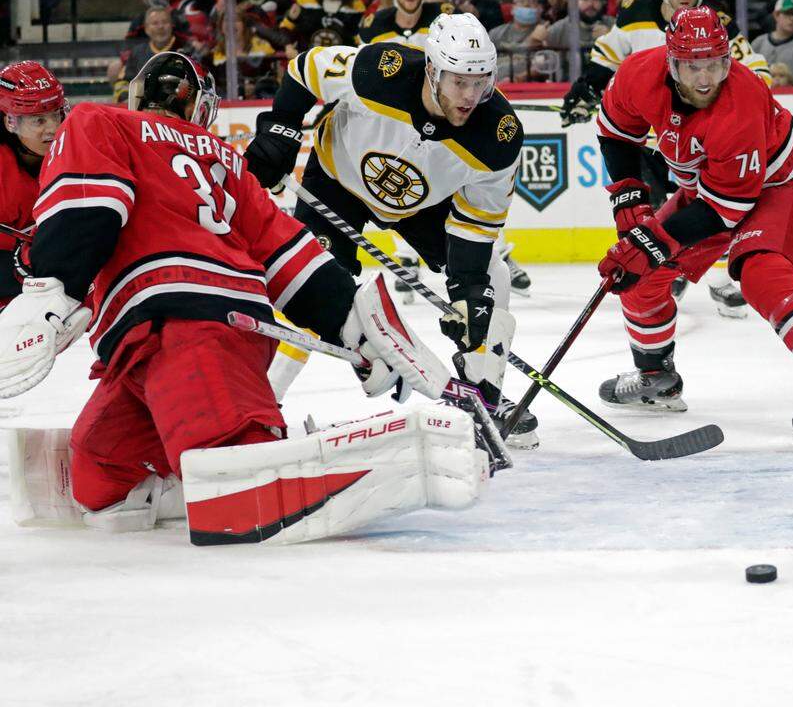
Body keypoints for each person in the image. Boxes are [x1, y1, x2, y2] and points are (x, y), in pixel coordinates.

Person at [0, 51, 486, 542]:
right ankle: (183, 468)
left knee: (234, 475)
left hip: (191, 327)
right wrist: (352, 325)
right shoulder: (226, 158)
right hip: (163, 341)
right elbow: (292, 258)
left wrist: (50, 289)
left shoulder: (99, 121)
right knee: (99, 473)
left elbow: (89, 207)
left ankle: (372, 459)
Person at [242, 13, 539, 449]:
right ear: (433, 69)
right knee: (311, 285)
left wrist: (470, 287)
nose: (472, 95)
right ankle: (261, 404)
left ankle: (483, 397)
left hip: (424, 205)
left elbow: (476, 222)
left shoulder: (498, 136)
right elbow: (306, 70)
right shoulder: (381, 71)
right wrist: (281, 128)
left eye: (481, 82)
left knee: (492, 276)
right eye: (460, 81)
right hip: (336, 182)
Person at [594, 6, 793, 447]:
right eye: (693, 66)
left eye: (715, 64)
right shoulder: (637, 74)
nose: (706, 78)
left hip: (775, 184)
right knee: (638, 273)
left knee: (758, 268)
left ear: (729, 60)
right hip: (709, 188)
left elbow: (726, 209)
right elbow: (616, 131)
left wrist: (651, 240)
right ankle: (656, 378)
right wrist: (628, 198)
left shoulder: (740, 102)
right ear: (671, 62)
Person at [562, 0, 771, 320]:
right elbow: (607, 58)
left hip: (700, 142)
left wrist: (747, 109)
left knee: (706, 210)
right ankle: (664, 281)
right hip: (650, 141)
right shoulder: (634, 12)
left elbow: (754, 69)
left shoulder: (715, 25)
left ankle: (716, 281)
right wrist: (586, 90)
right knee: (657, 213)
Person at [361, 0, 534, 305]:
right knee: (398, 180)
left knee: (475, 189)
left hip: (451, 116)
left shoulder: (443, 16)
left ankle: (495, 254)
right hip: (404, 117)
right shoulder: (373, 24)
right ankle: (408, 259)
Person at [0, 62, 66, 309]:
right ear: (10, 122)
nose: (53, 128)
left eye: (57, 114)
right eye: (39, 120)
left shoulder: (72, 153)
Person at [534, 0, 613, 78]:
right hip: (569, 86)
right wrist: (537, 38)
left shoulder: (612, 24)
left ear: (603, 2)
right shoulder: (564, 26)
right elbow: (537, 49)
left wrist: (611, 37)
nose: (590, 4)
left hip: (605, 85)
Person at [750, 0, 793, 86]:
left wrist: (790, 79)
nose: (792, 19)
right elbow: (745, 72)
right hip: (762, 94)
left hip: (792, 97)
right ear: (776, 15)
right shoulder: (759, 42)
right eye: (788, 13)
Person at [489, 0, 545, 82]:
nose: (527, 4)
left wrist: (517, 79)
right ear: (512, 9)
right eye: (521, 1)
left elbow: (546, 66)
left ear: (540, 8)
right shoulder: (495, 33)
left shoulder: (546, 31)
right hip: (496, 87)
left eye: (532, 1)